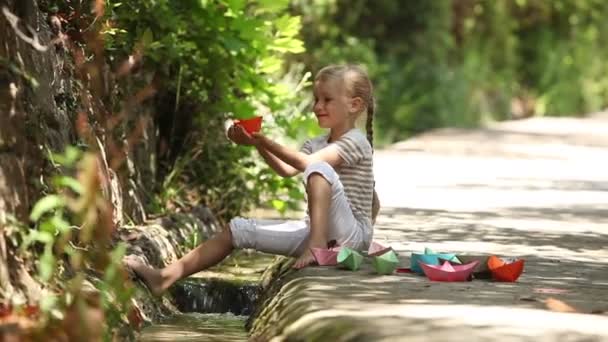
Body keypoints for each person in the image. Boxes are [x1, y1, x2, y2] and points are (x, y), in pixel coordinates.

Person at [124, 64, 380, 295]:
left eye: (326, 100)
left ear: (354, 105)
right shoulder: (317, 143)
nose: (317, 107)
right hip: (319, 230)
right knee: (236, 229)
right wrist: (256, 143)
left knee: (319, 170)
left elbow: (309, 165)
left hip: (351, 238)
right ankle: (163, 277)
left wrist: (265, 140)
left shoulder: (356, 142)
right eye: (316, 99)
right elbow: (285, 169)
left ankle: (316, 246)